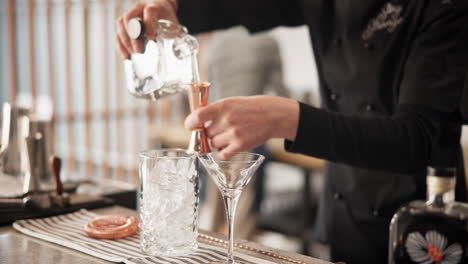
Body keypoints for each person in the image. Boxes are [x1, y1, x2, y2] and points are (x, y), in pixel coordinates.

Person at [116, 1, 468, 263]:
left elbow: (418, 137)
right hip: (345, 211)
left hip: (425, 223)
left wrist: (288, 118)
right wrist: (173, 6)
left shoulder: (443, 7)